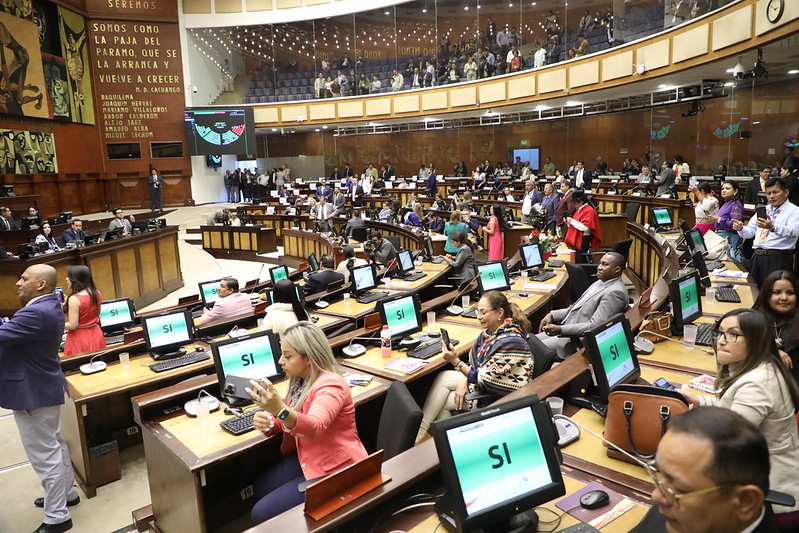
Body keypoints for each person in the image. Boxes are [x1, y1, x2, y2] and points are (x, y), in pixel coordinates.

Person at [677, 309, 799, 527]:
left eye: (733, 334)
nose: (722, 341)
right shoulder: (762, 367)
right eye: (720, 333)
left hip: (772, 497)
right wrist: (700, 402)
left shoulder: (756, 384)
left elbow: (726, 442)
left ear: (755, 341)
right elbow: (731, 412)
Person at [247, 322, 368, 524]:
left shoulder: (331, 384)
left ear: (309, 358)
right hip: (309, 457)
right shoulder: (300, 380)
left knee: (259, 513)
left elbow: (313, 427)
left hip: (337, 468)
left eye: (288, 356)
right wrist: (270, 423)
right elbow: (291, 420)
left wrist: (279, 409)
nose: (280, 362)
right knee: (259, 486)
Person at [0, 264, 79, 533]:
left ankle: (57, 517)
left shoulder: (35, 312)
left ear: (41, 285)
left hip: (33, 393)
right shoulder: (50, 304)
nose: (18, 283)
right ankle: (67, 495)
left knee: (45, 456)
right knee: (55, 445)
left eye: (24, 279)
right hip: (44, 387)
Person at [630, 407, 781, 533]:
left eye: (679, 489)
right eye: (659, 474)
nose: (656, 496)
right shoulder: (674, 508)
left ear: (745, 501)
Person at [415, 291, 534, 443]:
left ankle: (441, 445)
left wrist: (456, 362)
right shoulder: (491, 333)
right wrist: (464, 380)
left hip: (500, 398)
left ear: (499, 313)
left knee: (444, 403)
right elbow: (476, 365)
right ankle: (422, 438)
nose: (478, 316)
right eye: (478, 311)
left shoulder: (510, 341)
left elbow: (484, 378)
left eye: (483, 312)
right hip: (485, 384)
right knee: (443, 376)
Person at [537, 252, 628, 359]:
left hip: (574, 339)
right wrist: (552, 314)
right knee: (529, 339)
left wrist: (560, 329)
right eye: (600, 263)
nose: (599, 268)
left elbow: (595, 326)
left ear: (617, 270)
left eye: (604, 264)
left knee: (531, 348)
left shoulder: (615, 293)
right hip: (567, 329)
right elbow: (576, 308)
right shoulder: (600, 282)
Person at [732, 177, 799, 287]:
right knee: (754, 293)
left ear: (786, 192)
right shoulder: (764, 210)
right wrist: (741, 228)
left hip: (778, 257)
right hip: (758, 256)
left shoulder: (794, 211)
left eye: (775, 192)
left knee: (773, 293)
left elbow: (794, 231)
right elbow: (751, 232)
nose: (771, 196)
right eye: (768, 193)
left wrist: (772, 227)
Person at [754, 270, 799, 383]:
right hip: (762, 382)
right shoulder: (755, 318)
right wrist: (772, 353)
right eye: (777, 292)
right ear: (766, 294)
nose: (784, 298)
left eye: (790, 293)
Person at [63, 265, 106, 356]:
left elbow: (72, 325)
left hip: (79, 338)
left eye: (69, 277)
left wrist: (56, 325)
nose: (67, 279)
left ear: (76, 279)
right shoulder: (96, 293)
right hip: (96, 333)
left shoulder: (74, 299)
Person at [712, 180, 744, 261]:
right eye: (722, 188)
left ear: (735, 191)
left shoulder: (736, 204)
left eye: (727, 188)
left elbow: (735, 224)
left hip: (730, 239)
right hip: (720, 237)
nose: (723, 190)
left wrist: (719, 219)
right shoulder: (726, 203)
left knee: (730, 262)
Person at [564, 190, 601, 257]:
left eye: (575, 203)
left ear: (581, 202)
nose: (573, 205)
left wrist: (572, 221)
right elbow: (575, 224)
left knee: (580, 259)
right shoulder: (579, 210)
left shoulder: (589, 210)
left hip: (583, 240)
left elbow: (585, 227)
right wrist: (568, 222)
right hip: (577, 238)